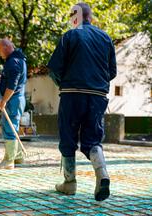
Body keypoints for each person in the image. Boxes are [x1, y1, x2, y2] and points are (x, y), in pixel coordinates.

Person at [47, 2, 117, 201]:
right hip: (98, 96)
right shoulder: (106, 38)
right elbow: (112, 72)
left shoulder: (70, 35)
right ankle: (102, 173)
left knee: (68, 137)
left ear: (75, 17)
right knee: (92, 139)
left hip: (72, 93)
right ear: (91, 17)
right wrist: (95, 85)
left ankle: (69, 183)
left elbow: (54, 70)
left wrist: (65, 83)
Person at [0, 38, 27, 169]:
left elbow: (12, 85)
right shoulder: (17, 60)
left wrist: (3, 101)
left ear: (6, 47)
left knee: (9, 127)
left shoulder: (13, 62)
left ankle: (9, 161)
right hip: (16, 99)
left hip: (12, 99)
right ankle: (18, 157)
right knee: (13, 127)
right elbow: (7, 77)